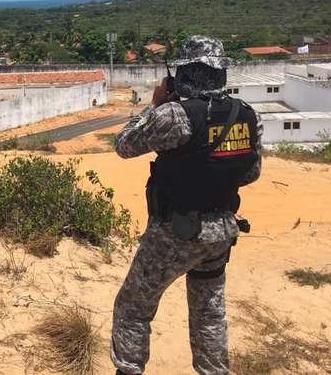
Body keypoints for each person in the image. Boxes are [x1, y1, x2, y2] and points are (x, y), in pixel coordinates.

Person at [110, 35, 262, 375]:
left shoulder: (177, 116)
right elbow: (251, 173)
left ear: (185, 74)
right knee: (209, 311)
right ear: (220, 73)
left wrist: (156, 105)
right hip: (221, 231)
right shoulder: (246, 115)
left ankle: (129, 370)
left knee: (133, 307)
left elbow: (123, 144)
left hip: (174, 234)